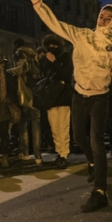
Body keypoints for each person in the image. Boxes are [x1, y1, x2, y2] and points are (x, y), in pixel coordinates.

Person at [22, 0, 112, 213]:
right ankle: (93, 163)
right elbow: (55, 23)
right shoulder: (82, 36)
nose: (103, 20)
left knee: (96, 141)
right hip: (79, 94)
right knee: (78, 135)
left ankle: (100, 191)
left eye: (108, 18)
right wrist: (36, 0)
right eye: (101, 16)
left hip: (100, 98)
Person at [39, 34, 73, 168]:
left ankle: (64, 154)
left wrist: (55, 62)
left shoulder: (64, 57)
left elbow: (66, 73)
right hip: (51, 97)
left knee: (63, 127)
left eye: (55, 45)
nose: (52, 47)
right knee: (54, 128)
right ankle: (59, 152)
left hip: (63, 97)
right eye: (50, 45)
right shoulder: (45, 59)